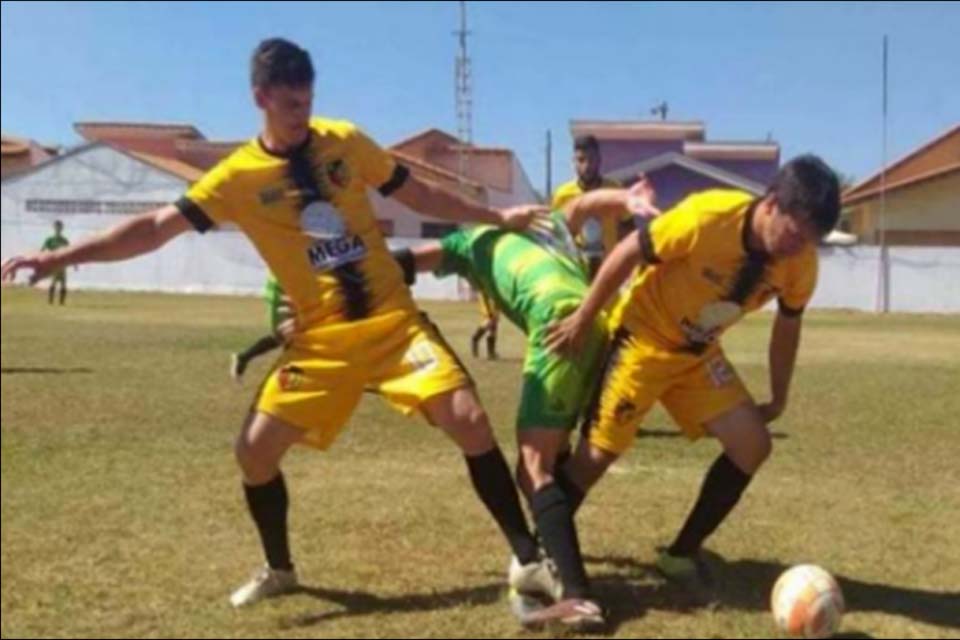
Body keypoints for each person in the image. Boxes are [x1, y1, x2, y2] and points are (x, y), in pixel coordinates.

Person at [2, 37, 551, 611]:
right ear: (260, 98)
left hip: (392, 322)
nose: (301, 115)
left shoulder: (344, 142)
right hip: (319, 343)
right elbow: (155, 228)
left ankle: (529, 558)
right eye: (290, 104)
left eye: (307, 102)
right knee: (254, 454)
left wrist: (495, 216)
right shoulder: (237, 178)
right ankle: (280, 569)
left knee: (470, 421)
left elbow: (418, 193)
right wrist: (61, 257)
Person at [546, 155, 840, 605]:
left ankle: (680, 555)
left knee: (753, 445)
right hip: (642, 340)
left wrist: (779, 397)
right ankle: (539, 553)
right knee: (594, 458)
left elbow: (788, 327)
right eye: (795, 234)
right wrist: (585, 317)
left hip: (698, 355)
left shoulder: (800, 265)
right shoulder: (708, 216)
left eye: (810, 241)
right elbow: (629, 251)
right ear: (771, 203)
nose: (798, 248)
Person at [395, 178, 659, 629]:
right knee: (552, 457)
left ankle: (577, 595)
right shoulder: (538, 223)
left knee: (532, 466)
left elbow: (406, 261)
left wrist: (335, 272)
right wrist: (628, 199)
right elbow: (586, 204)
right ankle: (547, 559)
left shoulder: (469, 240)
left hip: (557, 323)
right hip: (592, 325)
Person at [551, 134, 630, 280]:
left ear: (599, 160)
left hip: (608, 273)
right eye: (581, 160)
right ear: (574, 162)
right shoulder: (562, 195)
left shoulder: (614, 190)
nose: (586, 166)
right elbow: (556, 235)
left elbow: (628, 229)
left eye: (591, 159)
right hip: (576, 272)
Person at [230, 275, 294, 380]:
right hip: (280, 291)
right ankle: (244, 358)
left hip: (289, 290)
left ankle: (243, 358)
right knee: (286, 335)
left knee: (286, 336)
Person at [40, 220, 71, 305]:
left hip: (63, 264)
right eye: (57, 227)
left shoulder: (64, 240)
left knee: (63, 283)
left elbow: (70, 252)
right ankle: (50, 301)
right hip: (54, 263)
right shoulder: (50, 240)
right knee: (53, 281)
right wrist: (42, 259)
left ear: (62, 228)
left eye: (60, 227)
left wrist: (74, 263)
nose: (58, 229)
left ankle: (62, 302)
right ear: (54, 228)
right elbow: (42, 250)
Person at [470, 290, 500, 360]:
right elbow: (482, 295)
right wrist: (487, 310)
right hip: (488, 303)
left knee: (494, 325)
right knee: (489, 321)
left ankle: (491, 353)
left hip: (495, 302)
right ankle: (475, 339)